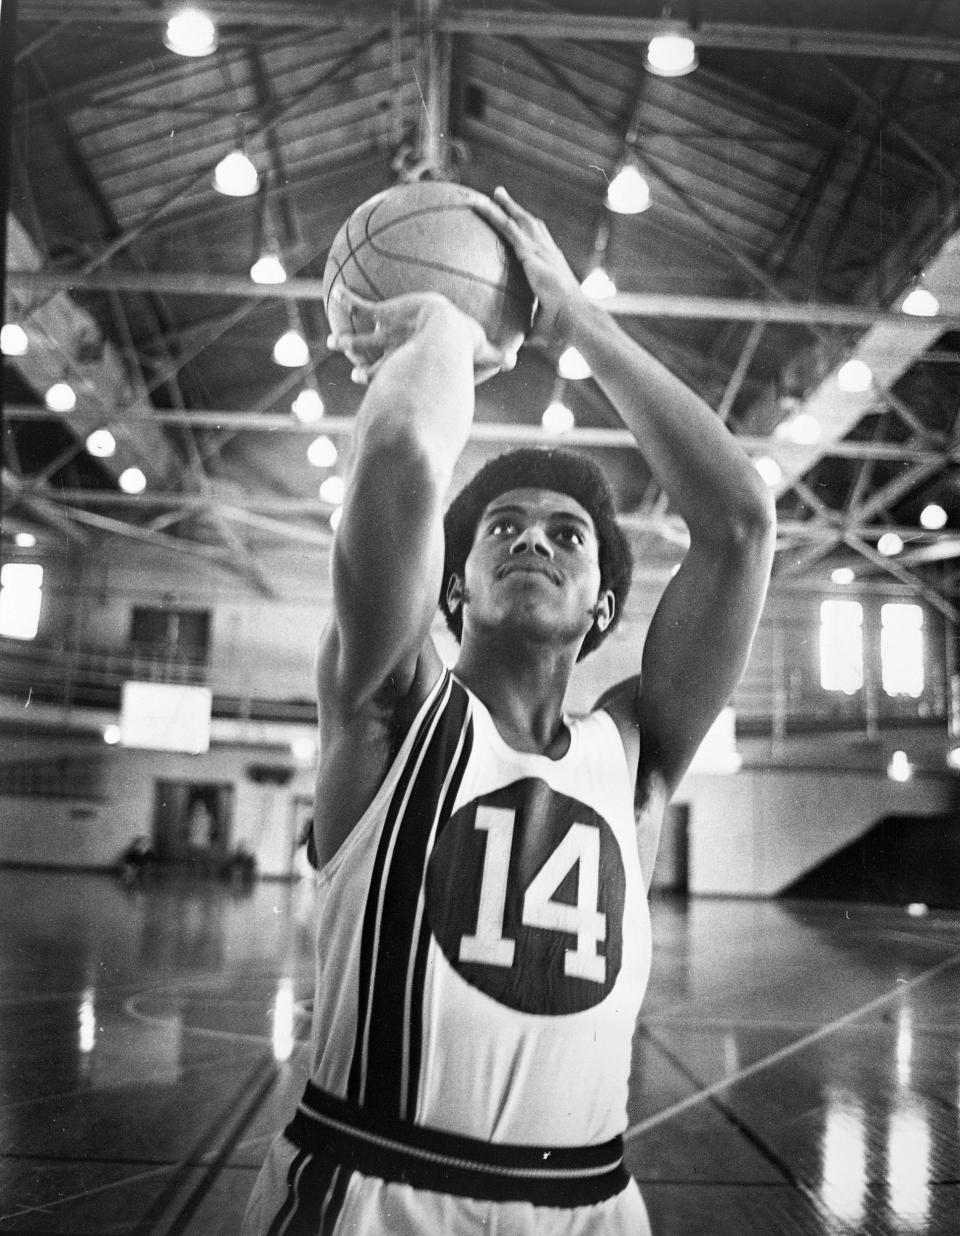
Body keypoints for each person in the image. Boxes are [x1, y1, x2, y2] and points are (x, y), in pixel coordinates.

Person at [242, 187, 775, 1235]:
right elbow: (397, 458)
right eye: (504, 528)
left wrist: (577, 322)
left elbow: (743, 524)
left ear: (605, 608)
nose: (535, 539)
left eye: (569, 535)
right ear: (453, 587)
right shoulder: (390, 703)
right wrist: (443, 328)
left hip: (589, 1207)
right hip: (370, 1195)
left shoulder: (635, 758)